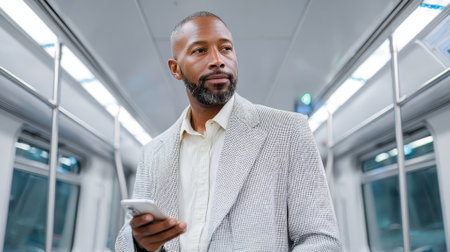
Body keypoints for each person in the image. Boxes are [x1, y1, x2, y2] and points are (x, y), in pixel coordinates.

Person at [116, 11, 342, 252]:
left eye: (226, 49)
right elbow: (129, 237)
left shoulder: (288, 131)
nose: (217, 60)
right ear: (175, 69)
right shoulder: (153, 153)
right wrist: (140, 245)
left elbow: (322, 241)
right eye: (200, 50)